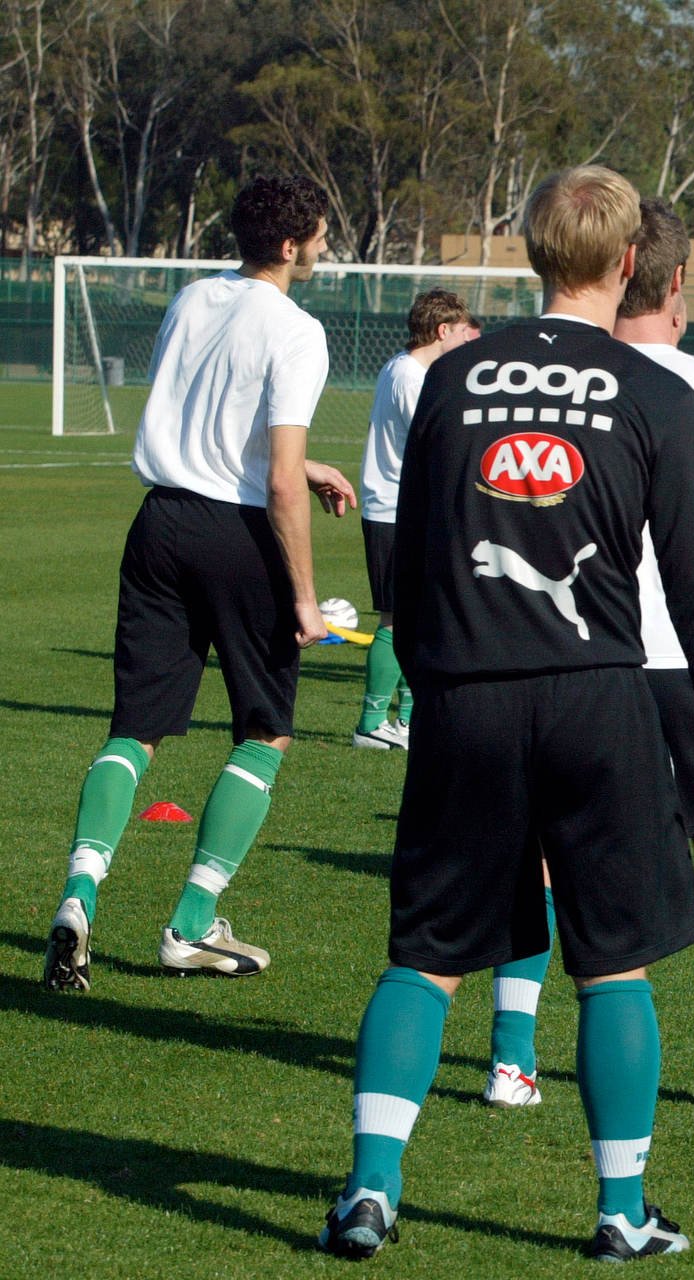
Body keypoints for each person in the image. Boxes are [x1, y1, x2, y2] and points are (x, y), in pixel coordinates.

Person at [317, 164, 694, 1264]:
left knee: (424, 957)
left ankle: (371, 1191)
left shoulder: (451, 376)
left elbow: (408, 552)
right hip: (600, 696)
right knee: (611, 963)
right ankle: (621, 1209)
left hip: (467, 691)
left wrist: (431, 673)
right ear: (626, 264)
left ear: (529, 251)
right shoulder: (662, 391)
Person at [476, 197, 694, 1114]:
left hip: (571, 657)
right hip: (683, 663)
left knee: (542, 857)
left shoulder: (545, 380)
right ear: (667, 281)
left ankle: (512, 1061)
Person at [42, 174, 355, 992]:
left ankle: (79, 896)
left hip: (159, 523)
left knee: (135, 728)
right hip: (237, 536)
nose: (322, 248)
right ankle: (188, 924)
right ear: (290, 246)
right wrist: (302, 598)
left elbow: (210, 418)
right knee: (264, 731)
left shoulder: (192, 299)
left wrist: (303, 465)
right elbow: (280, 483)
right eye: (318, 236)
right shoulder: (297, 329)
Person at [353, 290, 479, 749]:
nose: (468, 341)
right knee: (395, 620)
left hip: (409, 510)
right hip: (393, 511)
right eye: (463, 332)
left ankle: (406, 719)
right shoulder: (410, 376)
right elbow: (437, 443)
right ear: (443, 330)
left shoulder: (408, 370)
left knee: (419, 619)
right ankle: (370, 724)